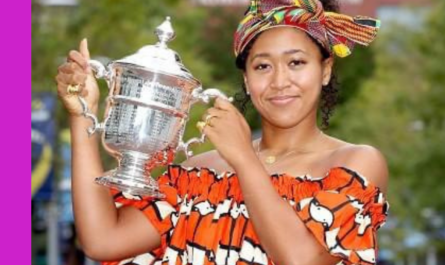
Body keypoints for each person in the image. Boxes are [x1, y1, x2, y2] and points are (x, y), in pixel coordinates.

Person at [55, 0, 389, 264]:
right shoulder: (199, 175)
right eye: (262, 66)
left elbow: (301, 258)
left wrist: (244, 158)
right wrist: (83, 113)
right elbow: (102, 240)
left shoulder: (354, 164)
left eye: (296, 63)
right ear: (246, 79)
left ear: (325, 70)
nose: (279, 81)